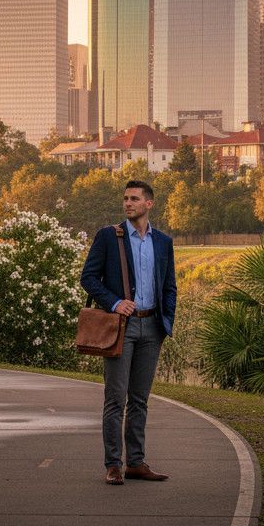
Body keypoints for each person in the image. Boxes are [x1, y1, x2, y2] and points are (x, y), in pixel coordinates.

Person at [79, 179, 178, 486]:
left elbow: (169, 286)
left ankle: (136, 462)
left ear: (149, 203)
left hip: (152, 327)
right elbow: (88, 278)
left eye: (134, 198)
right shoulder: (109, 236)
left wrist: (166, 322)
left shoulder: (163, 241)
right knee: (115, 398)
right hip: (120, 326)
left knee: (139, 400)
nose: (128, 203)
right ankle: (113, 464)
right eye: (125, 198)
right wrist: (115, 302)